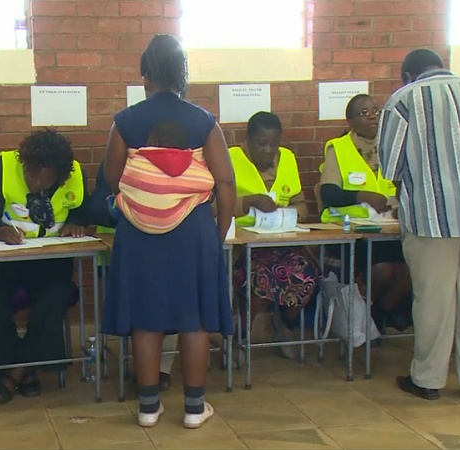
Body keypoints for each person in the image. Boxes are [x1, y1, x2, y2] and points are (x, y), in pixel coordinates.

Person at [100, 34, 235, 429]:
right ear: (184, 74)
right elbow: (225, 183)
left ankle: (147, 407)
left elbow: (112, 177)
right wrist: (218, 232)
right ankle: (194, 409)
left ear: (144, 74)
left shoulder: (126, 121)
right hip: (193, 230)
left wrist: (144, 200)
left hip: (139, 232)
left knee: (146, 318)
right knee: (194, 320)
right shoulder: (204, 120)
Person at [378, 49, 460, 403]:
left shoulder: (403, 100)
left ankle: (428, 379)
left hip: (430, 218)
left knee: (433, 298)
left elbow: (390, 167)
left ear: (406, 74)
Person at [0, 129, 89, 404]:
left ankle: (14, 372)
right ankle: (21, 369)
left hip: (49, 262)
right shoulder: (2, 168)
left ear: (59, 176)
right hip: (3, 261)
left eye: (43, 181)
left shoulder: (74, 174)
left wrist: (75, 222)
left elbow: (83, 208)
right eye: (31, 176)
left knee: (56, 295)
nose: (35, 185)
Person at [87, 124, 189, 391]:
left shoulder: (181, 165)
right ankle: (145, 369)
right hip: (124, 251)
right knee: (146, 296)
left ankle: (161, 369)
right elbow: (97, 204)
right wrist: (119, 206)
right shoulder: (117, 163)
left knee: (173, 292)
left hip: (168, 251)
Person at [227, 111, 321, 360]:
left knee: (307, 274)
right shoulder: (230, 158)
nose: (268, 150)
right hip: (242, 246)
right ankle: (243, 334)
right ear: (247, 140)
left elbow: (302, 204)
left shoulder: (288, 159)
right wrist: (247, 202)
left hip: (282, 242)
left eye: (274, 144)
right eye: (261, 143)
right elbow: (215, 202)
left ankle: (285, 325)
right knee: (261, 278)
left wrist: (292, 213)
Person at [319, 94, 413, 332]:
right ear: (350, 121)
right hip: (353, 234)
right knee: (383, 271)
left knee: (412, 271)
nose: (372, 116)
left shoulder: (392, 146)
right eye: (364, 113)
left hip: (391, 230)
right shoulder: (338, 149)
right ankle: (375, 316)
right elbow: (329, 193)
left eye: (375, 111)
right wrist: (362, 196)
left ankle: (380, 312)